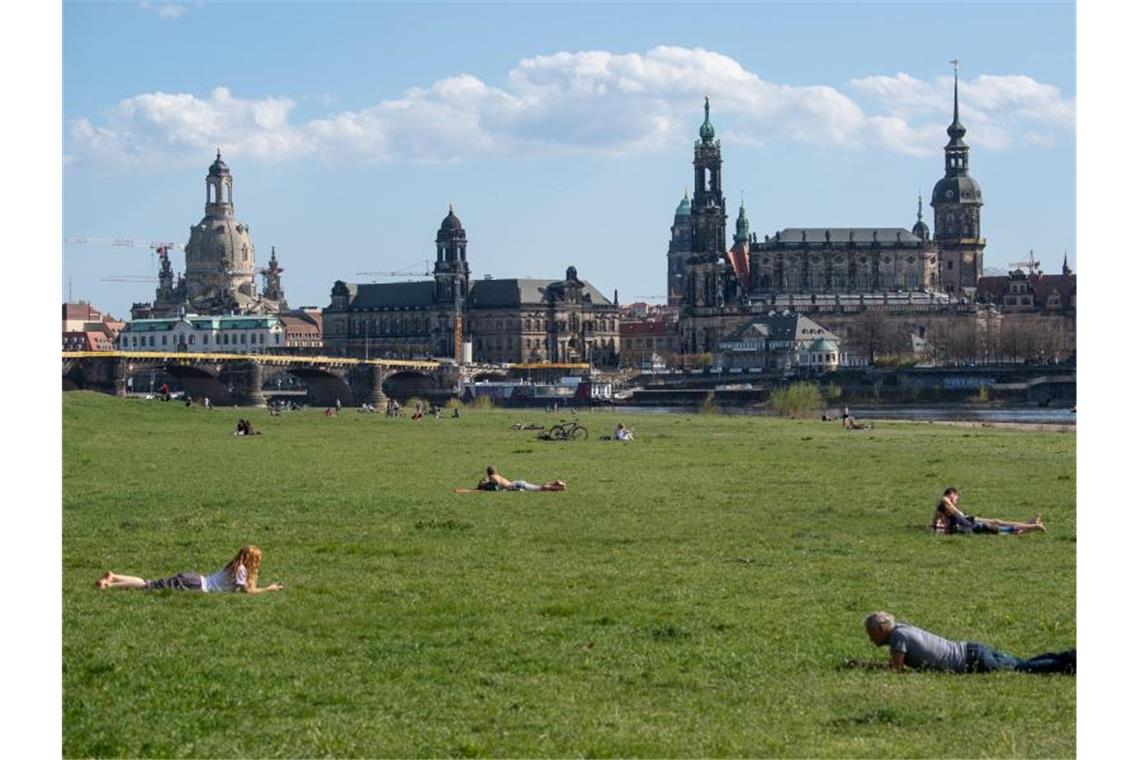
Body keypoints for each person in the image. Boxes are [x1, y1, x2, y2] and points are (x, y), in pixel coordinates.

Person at [861, 611, 1074, 674]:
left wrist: (862, 665)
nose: (870, 639)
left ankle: (1072, 662)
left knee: (1023, 669)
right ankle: (1068, 658)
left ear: (881, 630)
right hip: (972, 650)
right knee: (1023, 664)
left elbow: (896, 670)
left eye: (871, 634)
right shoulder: (902, 629)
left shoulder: (898, 637)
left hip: (971, 661)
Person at [94, 545, 283, 594]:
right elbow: (247, 591)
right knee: (148, 586)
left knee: (149, 583)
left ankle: (114, 577)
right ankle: (110, 585)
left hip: (193, 579)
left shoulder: (235, 566)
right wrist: (269, 588)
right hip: (194, 584)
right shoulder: (241, 570)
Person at [931, 487, 1046, 535]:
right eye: (956, 497)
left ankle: (1031, 525)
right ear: (952, 494)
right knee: (1003, 528)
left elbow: (938, 520)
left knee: (1001, 527)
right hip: (970, 524)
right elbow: (940, 516)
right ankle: (1032, 526)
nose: (957, 500)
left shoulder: (945, 506)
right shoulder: (945, 502)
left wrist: (936, 526)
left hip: (970, 521)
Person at [453, 465, 567, 493]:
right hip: (517, 484)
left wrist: (489, 482)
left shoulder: (492, 477)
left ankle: (560, 487)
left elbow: (496, 483)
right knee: (539, 486)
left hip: (517, 485)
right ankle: (555, 484)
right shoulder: (496, 475)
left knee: (539, 488)